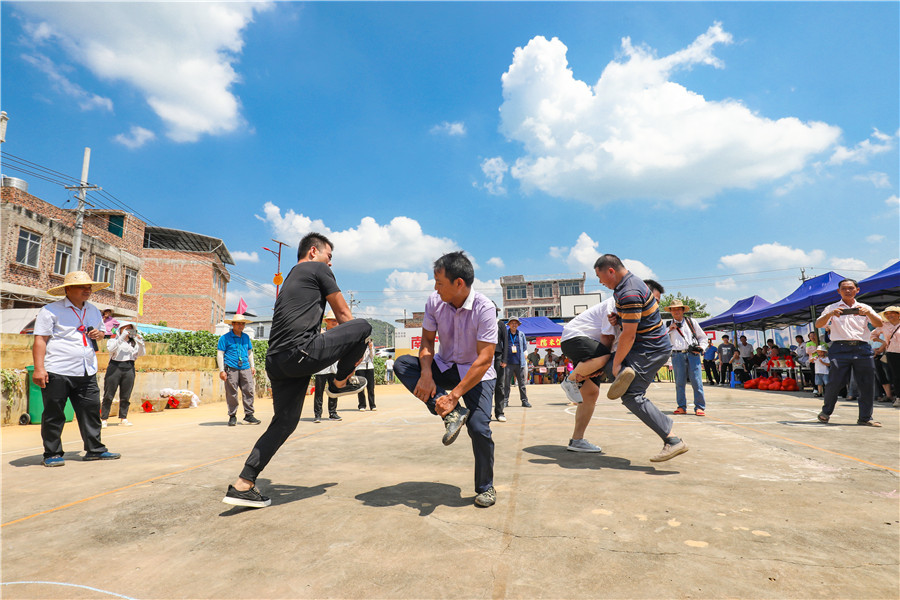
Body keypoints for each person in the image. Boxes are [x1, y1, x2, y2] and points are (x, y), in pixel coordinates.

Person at [223, 232, 371, 508]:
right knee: (362, 327)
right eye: (330, 257)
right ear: (313, 251)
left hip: (277, 361)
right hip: (301, 352)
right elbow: (344, 316)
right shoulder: (317, 268)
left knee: (285, 423)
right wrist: (356, 347)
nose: (331, 264)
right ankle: (339, 386)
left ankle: (244, 483)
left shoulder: (292, 276)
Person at [393, 251, 499, 508]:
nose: (435, 288)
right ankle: (451, 415)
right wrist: (428, 375)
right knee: (404, 365)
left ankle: (486, 487)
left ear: (459, 283)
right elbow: (428, 341)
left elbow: (484, 359)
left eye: (439, 282)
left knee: (478, 429)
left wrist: (454, 396)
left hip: (476, 373)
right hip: (445, 365)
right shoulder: (434, 301)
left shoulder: (485, 309)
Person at [594, 254, 687, 462]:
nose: (600, 282)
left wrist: (618, 364)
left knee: (631, 395)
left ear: (611, 270)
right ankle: (624, 370)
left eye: (600, 277)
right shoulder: (628, 285)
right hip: (647, 346)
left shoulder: (629, 292)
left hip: (650, 349)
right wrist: (618, 318)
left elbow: (629, 334)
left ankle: (673, 441)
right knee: (608, 364)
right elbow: (638, 319)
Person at [32, 271, 121, 467]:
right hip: (58, 369)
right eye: (82, 287)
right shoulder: (50, 310)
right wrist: (39, 369)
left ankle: (95, 450)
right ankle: (52, 453)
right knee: (54, 413)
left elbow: (100, 333)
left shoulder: (93, 310)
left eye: (89, 287)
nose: (87, 290)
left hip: (86, 370)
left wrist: (99, 334)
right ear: (68, 289)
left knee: (90, 411)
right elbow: (40, 339)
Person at [815, 278, 883, 427]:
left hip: (862, 348)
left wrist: (869, 314)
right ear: (838, 291)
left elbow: (879, 324)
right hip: (840, 348)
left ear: (857, 290)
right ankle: (825, 412)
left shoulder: (865, 307)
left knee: (866, 383)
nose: (847, 291)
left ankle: (865, 418)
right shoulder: (831, 308)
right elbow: (818, 324)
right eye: (844, 288)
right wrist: (830, 315)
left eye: (851, 288)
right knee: (835, 382)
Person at [558, 295, 617, 452]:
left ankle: (577, 440)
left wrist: (595, 368)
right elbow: (606, 339)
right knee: (605, 355)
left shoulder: (636, 312)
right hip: (575, 338)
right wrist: (601, 364)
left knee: (591, 393)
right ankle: (570, 381)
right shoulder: (614, 305)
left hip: (589, 345)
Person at [664, 300, 708, 416]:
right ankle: (681, 407)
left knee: (697, 381)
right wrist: (669, 329)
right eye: (673, 309)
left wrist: (701, 347)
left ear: (683, 310)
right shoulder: (667, 324)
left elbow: (703, 338)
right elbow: (661, 339)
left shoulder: (691, 322)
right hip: (677, 354)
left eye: (678, 309)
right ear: (670, 312)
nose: (676, 311)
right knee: (679, 382)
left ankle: (699, 407)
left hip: (692, 354)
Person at [217, 313, 260, 426]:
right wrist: (222, 370)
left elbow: (250, 352)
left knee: (249, 390)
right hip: (231, 368)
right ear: (233, 324)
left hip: (245, 367)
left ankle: (249, 415)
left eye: (243, 324)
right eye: (239, 323)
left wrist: (252, 366)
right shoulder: (225, 338)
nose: (241, 326)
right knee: (232, 392)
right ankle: (232, 416)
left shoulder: (246, 337)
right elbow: (220, 354)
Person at [101, 321, 145, 428]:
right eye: (124, 329)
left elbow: (141, 353)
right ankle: (104, 418)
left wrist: (140, 342)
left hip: (129, 367)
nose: (127, 331)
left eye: (129, 329)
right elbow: (111, 349)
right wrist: (121, 338)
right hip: (115, 367)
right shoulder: (113, 340)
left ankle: (123, 418)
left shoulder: (133, 343)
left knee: (126, 395)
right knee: (109, 394)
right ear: (120, 330)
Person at [312, 311, 341, 423]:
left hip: (334, 367)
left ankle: (333, 413)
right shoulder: (320, 333)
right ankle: (317, 414)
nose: (335, 322)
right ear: (327, 321)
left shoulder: (339, 335)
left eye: (336, 320)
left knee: (334, 391)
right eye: (332, 320)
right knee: (319, 392)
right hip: (321, 367)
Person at [872, 306, 900, 407]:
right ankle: (898, 398)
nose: (889, 315)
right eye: (887, 314)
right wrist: (883, 342)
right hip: (892, 353)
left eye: (892, 313)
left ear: (898, 314)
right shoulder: (883, 325)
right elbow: (873, 335)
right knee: (896, 376)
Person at [501, 317, 531, 408]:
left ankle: (524, 401)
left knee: (522, 384)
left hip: (519, 363)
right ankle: (505, 401)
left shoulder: (521, 335)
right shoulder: (505, 334)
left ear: (518, 324)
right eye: (512, 323)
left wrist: (524, 357)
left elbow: (524, 347)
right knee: (506, 384)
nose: (514, 325)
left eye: (516, 323)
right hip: (508, 363)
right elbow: (502, 346)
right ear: (509, 324)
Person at [492, 308, 508, 422]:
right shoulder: (482, 322)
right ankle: (485, 414)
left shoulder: (500, 323)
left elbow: (506, 341)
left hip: (498, 356)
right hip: (484, 356)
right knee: (485, 386)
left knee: (499, 386)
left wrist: (504, 359)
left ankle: (499, 412)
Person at [356, 338, 377, 411]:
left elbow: (372, 356)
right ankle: (362, 405)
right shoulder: (358, 345)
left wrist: (371, 348)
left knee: (371, 387)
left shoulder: (370, 346)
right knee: (361, 387)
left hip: (369, 367)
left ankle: (372, 405)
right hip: (360, 367)